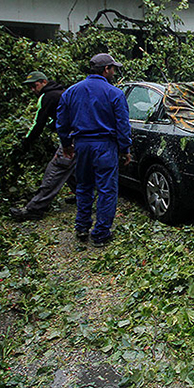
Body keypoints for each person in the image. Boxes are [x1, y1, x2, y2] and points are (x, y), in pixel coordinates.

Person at [56, 53, 132, 248]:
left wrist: (66, 144)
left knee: (84, 186)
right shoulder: (114, 93)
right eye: (113, 69)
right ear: (106, 69)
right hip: (105, 146)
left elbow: (61, 122)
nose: (114, 72)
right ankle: (100, 234)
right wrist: (125, 149)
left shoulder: (71, 92)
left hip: (81, 144)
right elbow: (122, 125)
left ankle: (82, 227)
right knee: (107, 189)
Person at [9, 71, 76, 221]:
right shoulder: (63, 92)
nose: (33, 90)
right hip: (81, 136)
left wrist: (26, 142)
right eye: (30, 88)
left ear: (44, 82)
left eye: (35, 86)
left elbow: (38, 123)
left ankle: (35, 208)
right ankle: (83, 196)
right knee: (72, 168)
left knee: (56, 168)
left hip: (71, 138)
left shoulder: (47, 97)